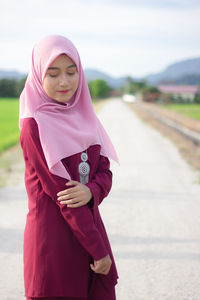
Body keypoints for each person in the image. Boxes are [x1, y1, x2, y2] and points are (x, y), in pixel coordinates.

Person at [19, 34, 119, 300]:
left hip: (88, 230)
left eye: (71, 72)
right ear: (39, 75)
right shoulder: (35, 125)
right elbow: (64, 197)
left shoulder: (86, 116)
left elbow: (105, 172)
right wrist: (98, 249)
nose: (64, 82)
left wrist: (92, 191)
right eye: (53, 74)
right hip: (54, 242)